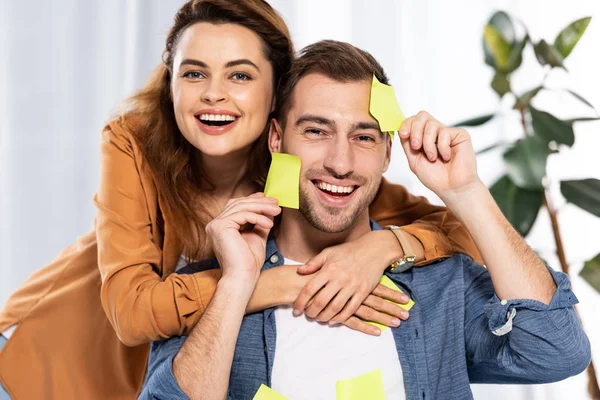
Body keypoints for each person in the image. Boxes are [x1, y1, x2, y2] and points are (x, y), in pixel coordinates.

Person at [0, 1, 482, 399]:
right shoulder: (134, 142)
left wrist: (383, 247)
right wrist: (281, 285)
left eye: (240, 76)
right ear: (171, 84)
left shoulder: (307, 165)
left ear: (277, 95)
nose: (214, 95)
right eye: (193, 74)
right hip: (42, 357)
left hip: (147, 384)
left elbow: (464, 234)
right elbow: (132, 313)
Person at [141, 40, 591, 400]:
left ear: (386, 153)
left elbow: (557, 352)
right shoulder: (211, 287)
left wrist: (466, 192)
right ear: (277, 139)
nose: (340, 162)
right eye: (316, 131)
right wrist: (238, 284)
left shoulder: (440, 286)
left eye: (363, 136)